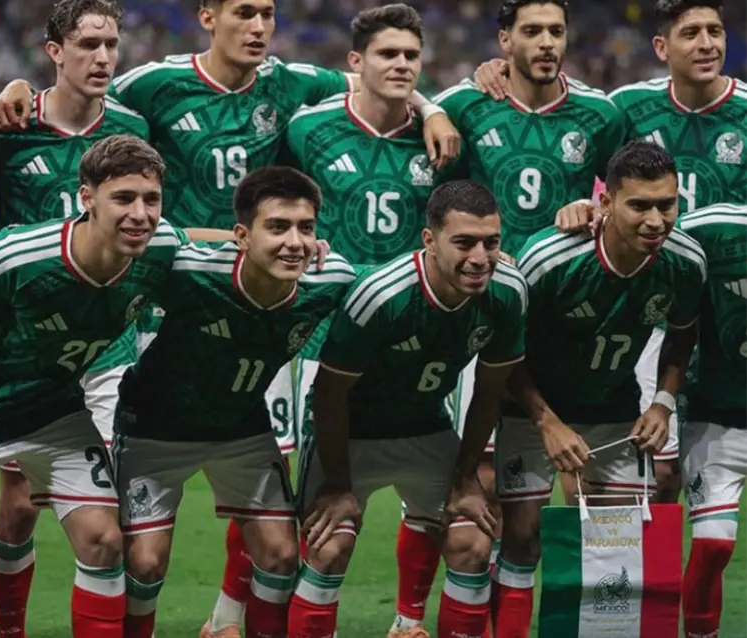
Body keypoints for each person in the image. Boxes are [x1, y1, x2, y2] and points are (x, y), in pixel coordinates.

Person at [0, 5, 462, 630]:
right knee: (37, 498)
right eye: (244, 12)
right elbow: (81, 88)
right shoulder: (154, 84)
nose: (258, 26)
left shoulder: (291, 83)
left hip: (269, 296)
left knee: (267, 461)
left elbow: (378, 77)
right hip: (173, 290)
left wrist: (432, 108)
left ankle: (227, 615)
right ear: (209, 16)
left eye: (268, 13)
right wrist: (21, 87)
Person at [0, 134, 191, 638]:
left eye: (152, 199)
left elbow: (200, 242)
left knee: (104, 541)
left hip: (53, 409)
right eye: (123, 198)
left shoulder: (160, 245)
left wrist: (252, 242)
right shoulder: (18, 254)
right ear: (86, 199)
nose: (141, 214)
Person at [401, 0, 624, 630]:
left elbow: (626, 192)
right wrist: (432, 106)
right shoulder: (469, 104)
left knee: (546, 511)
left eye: (556, 30)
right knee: (471, 492)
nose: (547, 41)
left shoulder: (600, 114)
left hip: (562, 322)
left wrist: (595, 205)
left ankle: (590, 616)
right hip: (476, 315)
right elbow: (400, 95)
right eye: (531, 31)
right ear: (505, 40)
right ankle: (409, 616)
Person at [474, 0, 747, 507]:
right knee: (647, 466)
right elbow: (612, 174)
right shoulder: (625, 108)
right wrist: (496, 70)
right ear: (662, 46)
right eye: (691, 33)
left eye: (716, 31)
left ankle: (644, 552)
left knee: (670, 473)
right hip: (631, 293)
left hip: (720, 301)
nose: (707, 43)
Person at [113, 165, 355, 638]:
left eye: (306, 228)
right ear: (242, 236)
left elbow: (397, 281)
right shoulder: (190, 271)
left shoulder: (330, 278)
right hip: (154, 429)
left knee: (281, 556)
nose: (295, 242)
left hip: (241, 428)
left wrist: (496, 262)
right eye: (278, 227)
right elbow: (142, 240)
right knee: (144, 564)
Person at [289, 179, 527, 638]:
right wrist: (337, 485)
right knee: (329, 547)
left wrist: (465, 479)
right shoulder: (382, 295)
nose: (480, 257)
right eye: (464, 243)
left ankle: (410, 623)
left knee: (474, 542)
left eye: (491, 243)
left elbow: (489, 392)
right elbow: (330, 395)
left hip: (425, 426)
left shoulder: (508, 291)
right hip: (351, 433)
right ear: (429, 240)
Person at [492, 140, 704, 638]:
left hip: (612, 409)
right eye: (639, 205)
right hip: (530, 410)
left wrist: (663, 403)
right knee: (521, 538)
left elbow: (682, 333)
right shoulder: (551, 260)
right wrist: (547, 422)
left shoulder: (684, 261)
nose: (655, 220)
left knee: (617, 543)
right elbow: (504, 352)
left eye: (666, 205)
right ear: (605, 202)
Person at [675, 203, 747, 638]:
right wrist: (590, 217)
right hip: (716, 415)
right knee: (713, 544)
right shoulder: (708, 227)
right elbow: (642, 235)